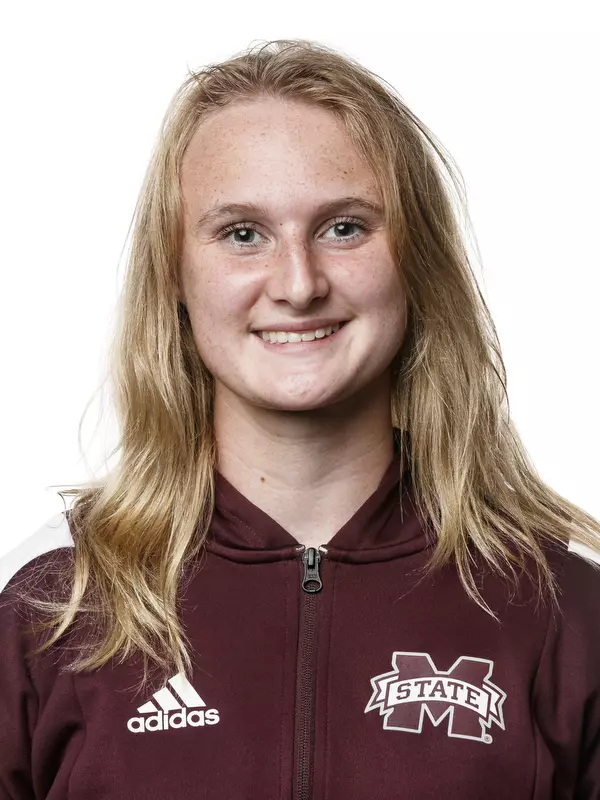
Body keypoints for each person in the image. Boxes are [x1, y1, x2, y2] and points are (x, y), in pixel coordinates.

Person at [1, 38, 599, 800]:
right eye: (243, 234)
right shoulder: (49, 609)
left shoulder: (564, 615)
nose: (298, 283)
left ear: (415, 262)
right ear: (176, 276)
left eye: (344, 227)